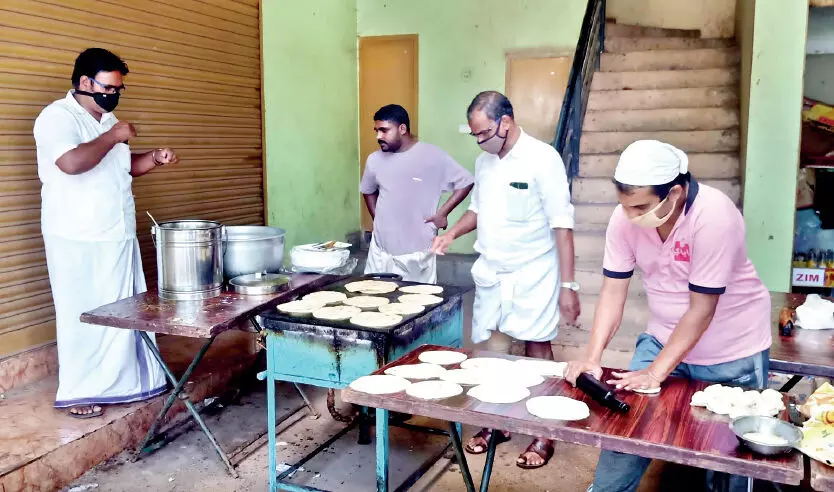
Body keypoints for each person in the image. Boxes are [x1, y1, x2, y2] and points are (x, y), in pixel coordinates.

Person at [564, 140, 772, 492]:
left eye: (640, 207)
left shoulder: (714, 216)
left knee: (726, 461)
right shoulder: (625, 218)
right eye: (625, 205)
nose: (631, 216)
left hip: (730, 352)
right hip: (661, 338)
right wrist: (592, 358)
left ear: (675, 192)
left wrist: (654, 372)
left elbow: (702, 309)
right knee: (625, 437)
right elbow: (614, 291)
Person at [432, 91, 580, 469]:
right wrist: (452, 235)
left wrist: (569, 286)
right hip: (493, 271)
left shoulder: (542, 159)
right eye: (475, 135)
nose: (480, 141)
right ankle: (497, 423)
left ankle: (544, 432)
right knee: (493, 352)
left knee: (536, 352)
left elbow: (562, 226)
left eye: (484, 133)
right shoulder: (485, 162)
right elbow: (477, 209)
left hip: (534, 271)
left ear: (506, 122)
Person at [33, 48, 178, 418]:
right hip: (77, 236)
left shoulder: (106, 120)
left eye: (118, 89)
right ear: (85, 82)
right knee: (82, 316)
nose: (113, 94)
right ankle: (81, 391)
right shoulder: (56, 117)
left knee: (124, 313)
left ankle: (130, 384)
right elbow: (71, 162)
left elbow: (121, 167)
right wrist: (114, 136)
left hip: (116, 231)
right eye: (109, 87)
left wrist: (153, 159)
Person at [360, 104, 473, 283]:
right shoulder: (374, 160)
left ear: (402, 129)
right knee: (375, 303)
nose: (378, 136)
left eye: (384, 130)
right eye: (376, 130)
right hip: (380, 253)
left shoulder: (432, 156)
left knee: (417, 305)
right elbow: (368, 190)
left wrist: (443, 213)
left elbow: (466, 182)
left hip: (416, 257)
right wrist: (378, 218)